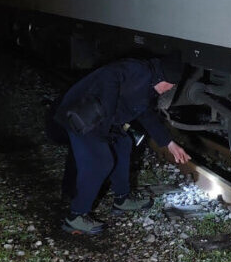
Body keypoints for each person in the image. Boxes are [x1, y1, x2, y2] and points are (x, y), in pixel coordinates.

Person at [54, 54, 191, 234]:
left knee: (123, 143)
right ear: (162, 78)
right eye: (171, 85)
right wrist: (109, 112)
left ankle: (122, 199)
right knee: (100, 161)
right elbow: (109, 74)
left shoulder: (149, 87)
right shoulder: (138, 70)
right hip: (82, 115)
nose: (170, 89)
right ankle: (75, 216)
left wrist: (170, 143)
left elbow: (146, 114)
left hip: (102, 121)